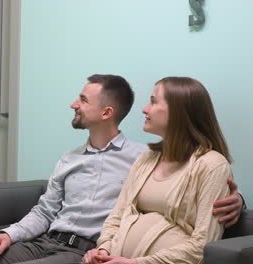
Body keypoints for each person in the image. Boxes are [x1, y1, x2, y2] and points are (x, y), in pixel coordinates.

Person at [0, 74, 242, 264]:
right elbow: (47, 211)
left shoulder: (140, 156)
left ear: (106, 112)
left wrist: (237, 202)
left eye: (83, 99)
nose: (74, 104)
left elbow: (196, 210)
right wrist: (8, 234)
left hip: (82, 250)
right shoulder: (74, 158)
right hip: (48, 241)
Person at [83, 77, 235, 264]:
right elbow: (116, 216)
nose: (145, 109)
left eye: (153, 102)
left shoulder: (212, 166)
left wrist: (136, 263)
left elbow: (203, 245)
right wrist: (103, 249)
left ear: (179, 111)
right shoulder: (146, 158)